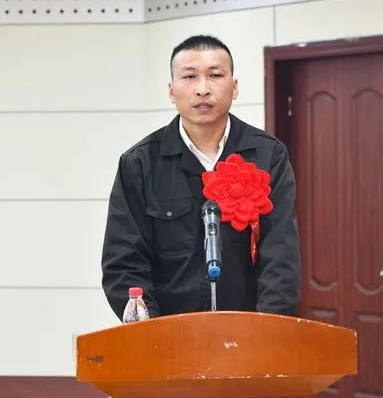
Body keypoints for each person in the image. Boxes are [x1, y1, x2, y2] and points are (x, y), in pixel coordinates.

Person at [101, 35, 300, 320]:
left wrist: (264, 331)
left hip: (247, 331)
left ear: (235, 87)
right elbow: (124, 263)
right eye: (189, 77)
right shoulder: (140, 164)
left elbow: (281, 256)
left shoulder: (268, 155)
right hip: (168, 333)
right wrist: (153, 333)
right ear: (171, 90)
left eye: (215, 75)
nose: (203, 89)